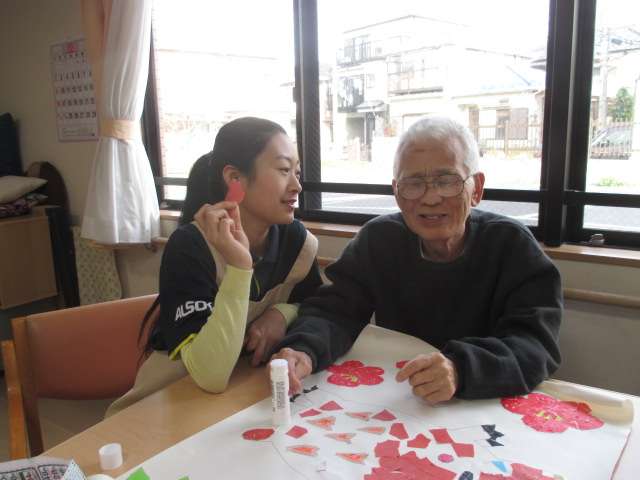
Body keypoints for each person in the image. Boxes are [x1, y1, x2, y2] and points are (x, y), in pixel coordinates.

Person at [272, 116, 562, 404]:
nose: (430, 198)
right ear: (396, 192)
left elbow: (535, 346)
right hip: (405, 398)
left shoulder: (512, 245)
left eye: (446, 181)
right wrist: (303, 349)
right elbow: (335, 311)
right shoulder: (379, 240)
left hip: (486, 400)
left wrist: (460, 369)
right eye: (413, 184)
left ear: (477, 188)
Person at [107, 117, 322, 416]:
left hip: (234, 399)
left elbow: (316, 305)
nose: (297, 185)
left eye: (297, 172)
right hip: (166, 406)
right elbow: (211, 376)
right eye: (284, 170)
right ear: (235, 178)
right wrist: (240, 267)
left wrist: (280, 314)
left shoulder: (296, 241)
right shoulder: (190, 247)